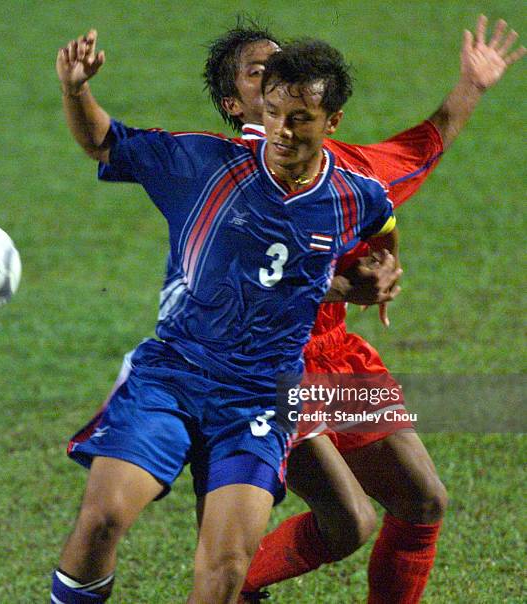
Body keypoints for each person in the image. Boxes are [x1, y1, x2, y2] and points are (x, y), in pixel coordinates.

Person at [53, 34, 398, 604]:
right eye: (274, 115)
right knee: (102, 521)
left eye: (300, 119)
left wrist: (377, 277)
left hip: (259, 399)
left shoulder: (354, 196)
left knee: (227, 572)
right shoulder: (203, 163)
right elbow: (101, 140)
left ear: (331, 121)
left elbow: (379, 226)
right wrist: (76, 88)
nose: (283, 132)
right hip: (174, 375)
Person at [202, 15, 524, 603]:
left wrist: (471, 85)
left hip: (331, 357)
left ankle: (233, 589)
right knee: (350, 522)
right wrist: (348, 285)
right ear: (234, 103)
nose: (280, 77)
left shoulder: (348, 169)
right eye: (259, 73)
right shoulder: (221, 177)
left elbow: (424, 146)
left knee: (422, 501)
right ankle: (225, 590)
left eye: (285, 65)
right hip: (258, 366)